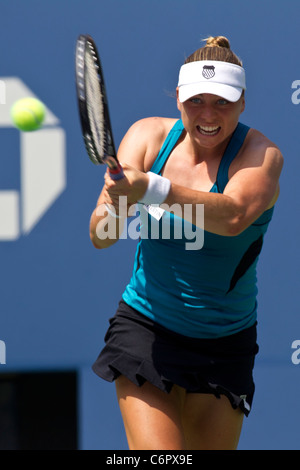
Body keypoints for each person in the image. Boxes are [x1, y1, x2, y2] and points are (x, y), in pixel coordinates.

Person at [89, 36, 283, 450]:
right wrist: (119, 206)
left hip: (226, 343)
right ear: (178, 98)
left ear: (243, 102)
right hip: (146, 329)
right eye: (197, 101)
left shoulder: (262, 155)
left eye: (223, 102)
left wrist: (151, 188)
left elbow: (232, 216)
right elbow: (101, 237)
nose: (208, 114)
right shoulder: (147, 137)